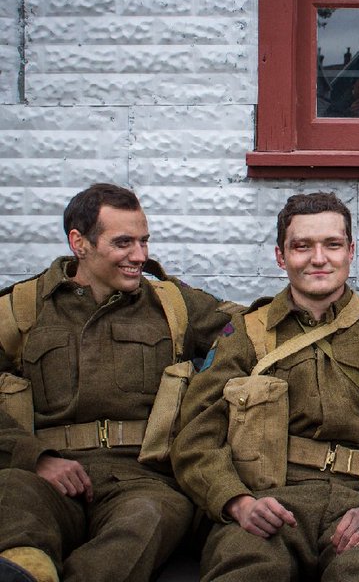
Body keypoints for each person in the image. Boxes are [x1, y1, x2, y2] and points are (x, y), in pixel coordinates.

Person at [171, 191, 359, 582]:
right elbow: (196, 433)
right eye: (302, 246)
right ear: (281, 256)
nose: (318, 259)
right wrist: (237, 502)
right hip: (270, 502)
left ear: (351, 251)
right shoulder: (246, 332)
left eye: (332, 244)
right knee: (246, 571)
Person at [0, 183, 239, 582]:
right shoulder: (19, 309)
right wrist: (35, 457)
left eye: (144, 242)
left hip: (143, 479)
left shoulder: (172, 303)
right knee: (11, 495)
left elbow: (251, 330)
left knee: (151, 517)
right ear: (80, 243)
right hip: (46, 473)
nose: (140, 256)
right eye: (124, 243)